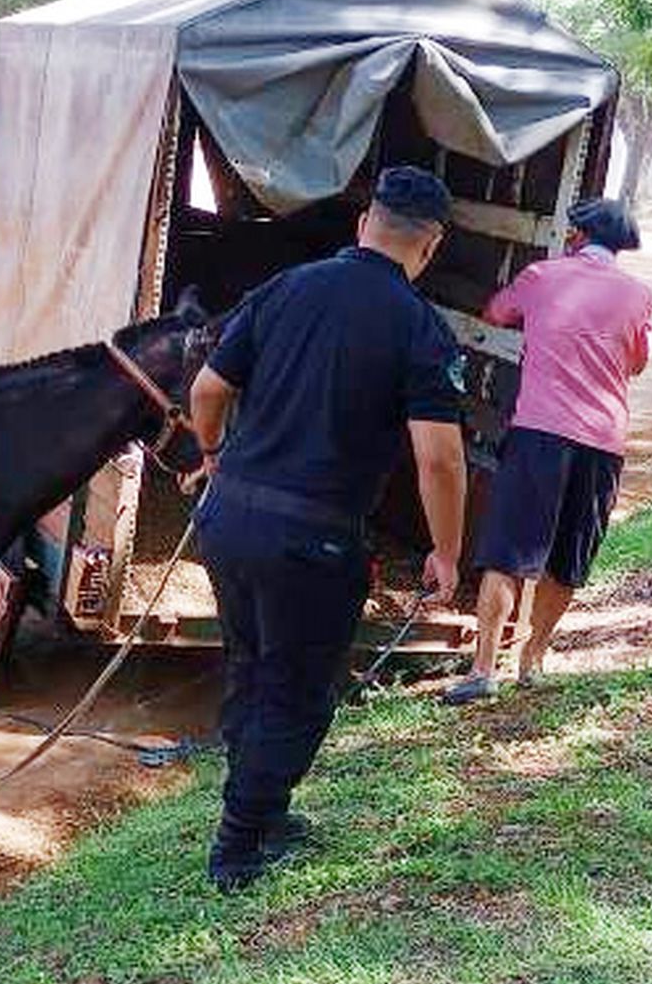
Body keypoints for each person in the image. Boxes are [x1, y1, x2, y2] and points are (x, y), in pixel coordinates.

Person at [187, 165, 468, 893]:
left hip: (227, 517)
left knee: (251, 666)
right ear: (429, 245)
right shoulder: (420, 328)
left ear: (363, 222)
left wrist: (213, 455)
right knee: (300, 688)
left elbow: (208, 389)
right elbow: (438, 458)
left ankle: (265, 812)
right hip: (312, 538)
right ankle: (238, 847)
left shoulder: (286, 289)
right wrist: (445, 551)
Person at [444, 199, 652, 705]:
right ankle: (533, 661)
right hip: (602, 443)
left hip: (540, 432)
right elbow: (639, 363)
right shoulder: (640, 296)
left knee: (510, 552)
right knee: (568, 558)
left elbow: (496, 311)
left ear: (577, 235)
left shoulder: (542, 276)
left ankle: (482, 669)